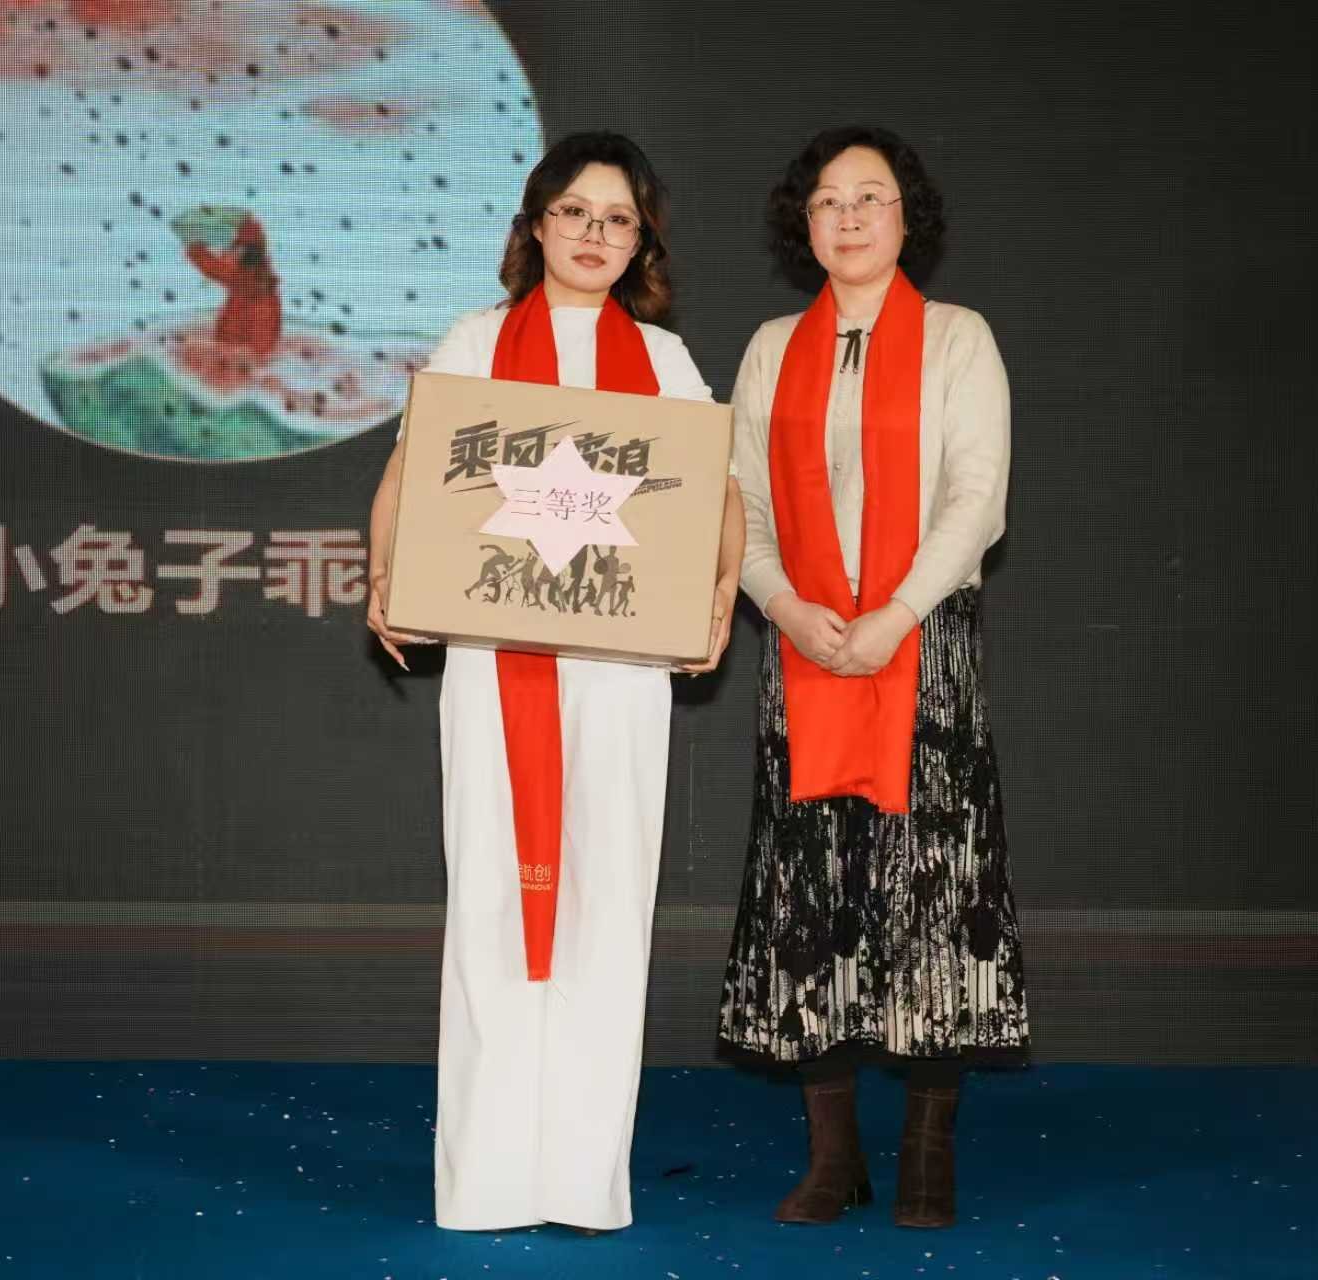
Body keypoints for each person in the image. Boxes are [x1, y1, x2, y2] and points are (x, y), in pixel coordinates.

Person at [365, 131, 745, 1233]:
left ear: (641, 244)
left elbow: (716, 488)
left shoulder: (662, 358)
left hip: (619, 669)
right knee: (493, 893)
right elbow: (412, 469)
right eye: (574, 211)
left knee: (607, 900)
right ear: (536, 223)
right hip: (496, 662)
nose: (593, 234)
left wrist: (719, 593)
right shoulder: (477, 339)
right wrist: (384, 575)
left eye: (618, 219)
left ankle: (583, 1177)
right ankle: (487, 1176)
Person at [716, 126, 1029, 1229]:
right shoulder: (770, 349)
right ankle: (833, 1153)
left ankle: (928, 1151)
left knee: (930, 887)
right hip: (802, 644)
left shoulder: (957, 337)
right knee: (816, 888)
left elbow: (978, 497)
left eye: (870, 197)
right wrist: (786, 607)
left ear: (908, 216)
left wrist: (894, 614)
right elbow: (739, 506)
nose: (847, 217)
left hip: (923, 643)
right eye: (826, 201)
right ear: (802, 224)